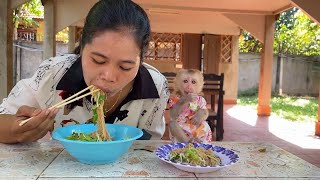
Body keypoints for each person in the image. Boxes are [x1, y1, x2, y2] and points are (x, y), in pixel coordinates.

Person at [0, 0, 169, 144]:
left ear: (141, 59)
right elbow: (4, 118)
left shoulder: (155, 87)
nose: (108, 76)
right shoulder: (54, 73)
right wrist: (16, 131)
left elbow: (149, 145)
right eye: (98, 60)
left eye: (125, 67)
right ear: (82, 46)